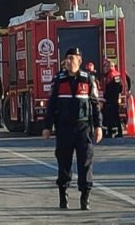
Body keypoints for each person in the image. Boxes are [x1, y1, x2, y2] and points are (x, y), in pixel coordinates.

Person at [41, 47, 103, 210]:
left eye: (72, 58)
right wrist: (47, 126)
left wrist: (98, 127)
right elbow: (52, 105)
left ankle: (85, 196)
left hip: (83, 128)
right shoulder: (59, 80)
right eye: (67, 58)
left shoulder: (88, 80)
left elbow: (95, 105)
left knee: (85, 162)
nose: (68, 62)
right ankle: (63, 194)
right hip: (64, 128)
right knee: (64, 162)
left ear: (79, 60)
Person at [101, 60, 126, 139]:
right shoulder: (115, 74)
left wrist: (108, 97)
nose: (105, 68)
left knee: (109, 116)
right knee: (116, 115)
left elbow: (113, 87)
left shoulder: (111, 75)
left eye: (106, 66)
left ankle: (110, 132)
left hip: (111, 99)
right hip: (114, 99)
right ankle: (119, 132)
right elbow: (120, 86)